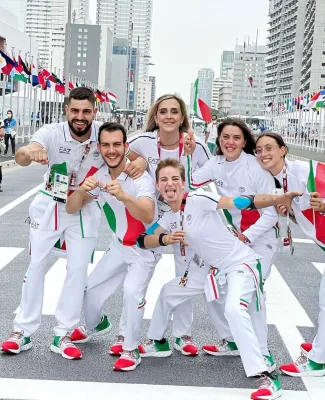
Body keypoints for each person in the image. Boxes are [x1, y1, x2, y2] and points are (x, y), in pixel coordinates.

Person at [137, 158, 300, 400]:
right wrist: (165, 239)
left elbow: (242, 202)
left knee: (235, 310)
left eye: (175, 179)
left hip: (240, 264)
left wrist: (279, 198)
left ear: (183, 183)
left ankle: (266, 375)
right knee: (169, 291)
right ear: (158, 186)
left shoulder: (198, 200)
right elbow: (142, 239)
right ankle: (158, 342)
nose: (169, 184)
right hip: (208, 268)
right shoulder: (169, 217)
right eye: (164, 180)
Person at [0, 87, 145, 360]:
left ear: (94, 112)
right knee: (36, 264)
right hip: (50, 203)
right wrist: (31, 152)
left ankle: (63, 333)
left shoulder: (102, 133)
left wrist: (143, 163)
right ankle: (22, 331)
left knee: (77, 269)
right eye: (75, 110)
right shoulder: (52, 132)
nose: (80, 116)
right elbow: (23, 155)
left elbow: (132, 153)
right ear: (67, 110)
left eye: (86, 111)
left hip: (84, 205)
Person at [255, 133, 325, 377]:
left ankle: (315, 361)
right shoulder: (276, 183)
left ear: (283, 150)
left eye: (269, 148)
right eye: (259, 150)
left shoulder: (304, 170)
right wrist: (289, 212)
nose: (263, 153)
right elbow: (305, 218)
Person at [183, 118, 279, 369]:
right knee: (215, 286)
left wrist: (247, 237)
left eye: (236, 138)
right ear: (219, 140)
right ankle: (232, 340)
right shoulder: (216, 163)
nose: (230, 142)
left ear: (244, 142)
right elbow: (191, 182)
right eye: (225, 137)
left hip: (260, 238)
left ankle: (263, 351)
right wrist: (190, 154)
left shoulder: (255, 167)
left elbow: (270, 214)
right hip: (233, 240)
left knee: (253, 292)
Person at [123, 93, 211, 357]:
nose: (169, 116)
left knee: (184, 272)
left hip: (184, 215)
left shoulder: (196, 144)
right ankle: (125, 333)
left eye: (174, 111)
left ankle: (183, 335)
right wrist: (138, 159)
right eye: (163, 112)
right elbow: (119, 151)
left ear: (182, 117)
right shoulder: (144, 141)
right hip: (153, 215)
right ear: (156, 117)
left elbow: (212, 177)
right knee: (139, 272)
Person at [66, 122, 159, 371]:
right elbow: (72, 208)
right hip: (119, 245)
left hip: (144, 247)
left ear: (126, 146)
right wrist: (80, 191)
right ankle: (97, 324)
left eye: (117, 144)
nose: (111, 150)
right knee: (88, 291)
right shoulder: (100, 176)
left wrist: (124, 196)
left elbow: (148, 214)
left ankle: (129, 347)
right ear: (100, 147)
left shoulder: (139, 177)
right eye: (106, 145)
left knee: (132, 291)